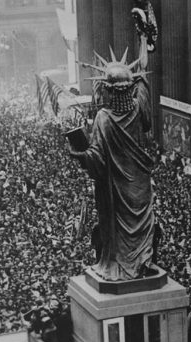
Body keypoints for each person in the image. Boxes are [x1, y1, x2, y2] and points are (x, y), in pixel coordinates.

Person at [68, 34, 156, 281]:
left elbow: (96, 160)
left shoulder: (103, 118)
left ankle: (120, 264)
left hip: (116, 190)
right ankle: (142, 261)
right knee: (141, 228)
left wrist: (80, 154)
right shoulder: (139, 109)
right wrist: (142, 39)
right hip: (140, 187)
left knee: (117, 230)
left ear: (106, 89)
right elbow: (143, 72)